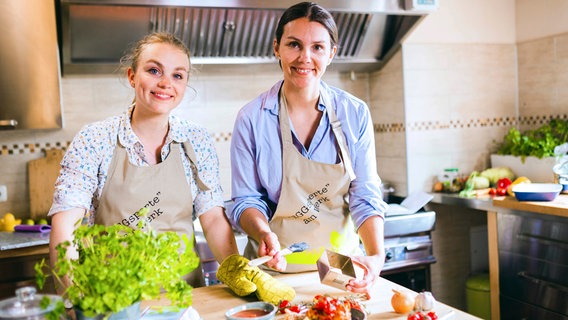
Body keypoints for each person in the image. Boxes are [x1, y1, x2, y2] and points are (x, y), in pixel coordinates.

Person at [48, 32, 239, 289]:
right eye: (154, 71)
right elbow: (65, 225)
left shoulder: (196, 140)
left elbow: (213, 218)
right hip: (114, 302)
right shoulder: (95, 140)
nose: (165, 83)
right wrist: (73, 298)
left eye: (178, 75)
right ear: (131, 76)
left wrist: (240, 276)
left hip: (183, 299)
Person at [229, 1, 388, 294]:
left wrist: (376, 255)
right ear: (277, 48)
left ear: (331, 54)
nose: (305, 57)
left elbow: (364, 193)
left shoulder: (354, 113)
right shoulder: (251, 119)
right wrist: (263, 232)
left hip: (341, 268)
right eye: (294, 44)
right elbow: (245, 200)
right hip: (274, 270)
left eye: (317, 47)